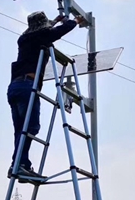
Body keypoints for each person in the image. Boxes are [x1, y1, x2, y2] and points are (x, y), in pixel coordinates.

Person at [8, 10, 85, 180]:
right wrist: (74, 20)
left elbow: (45, 29)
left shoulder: (24, 38)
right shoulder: (42, 36)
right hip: (28, 86)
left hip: (14, 88)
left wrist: (56, 19)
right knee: (31, 127)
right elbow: (60, 31)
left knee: (20, 130)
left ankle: (20, 165)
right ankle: (20, 165)